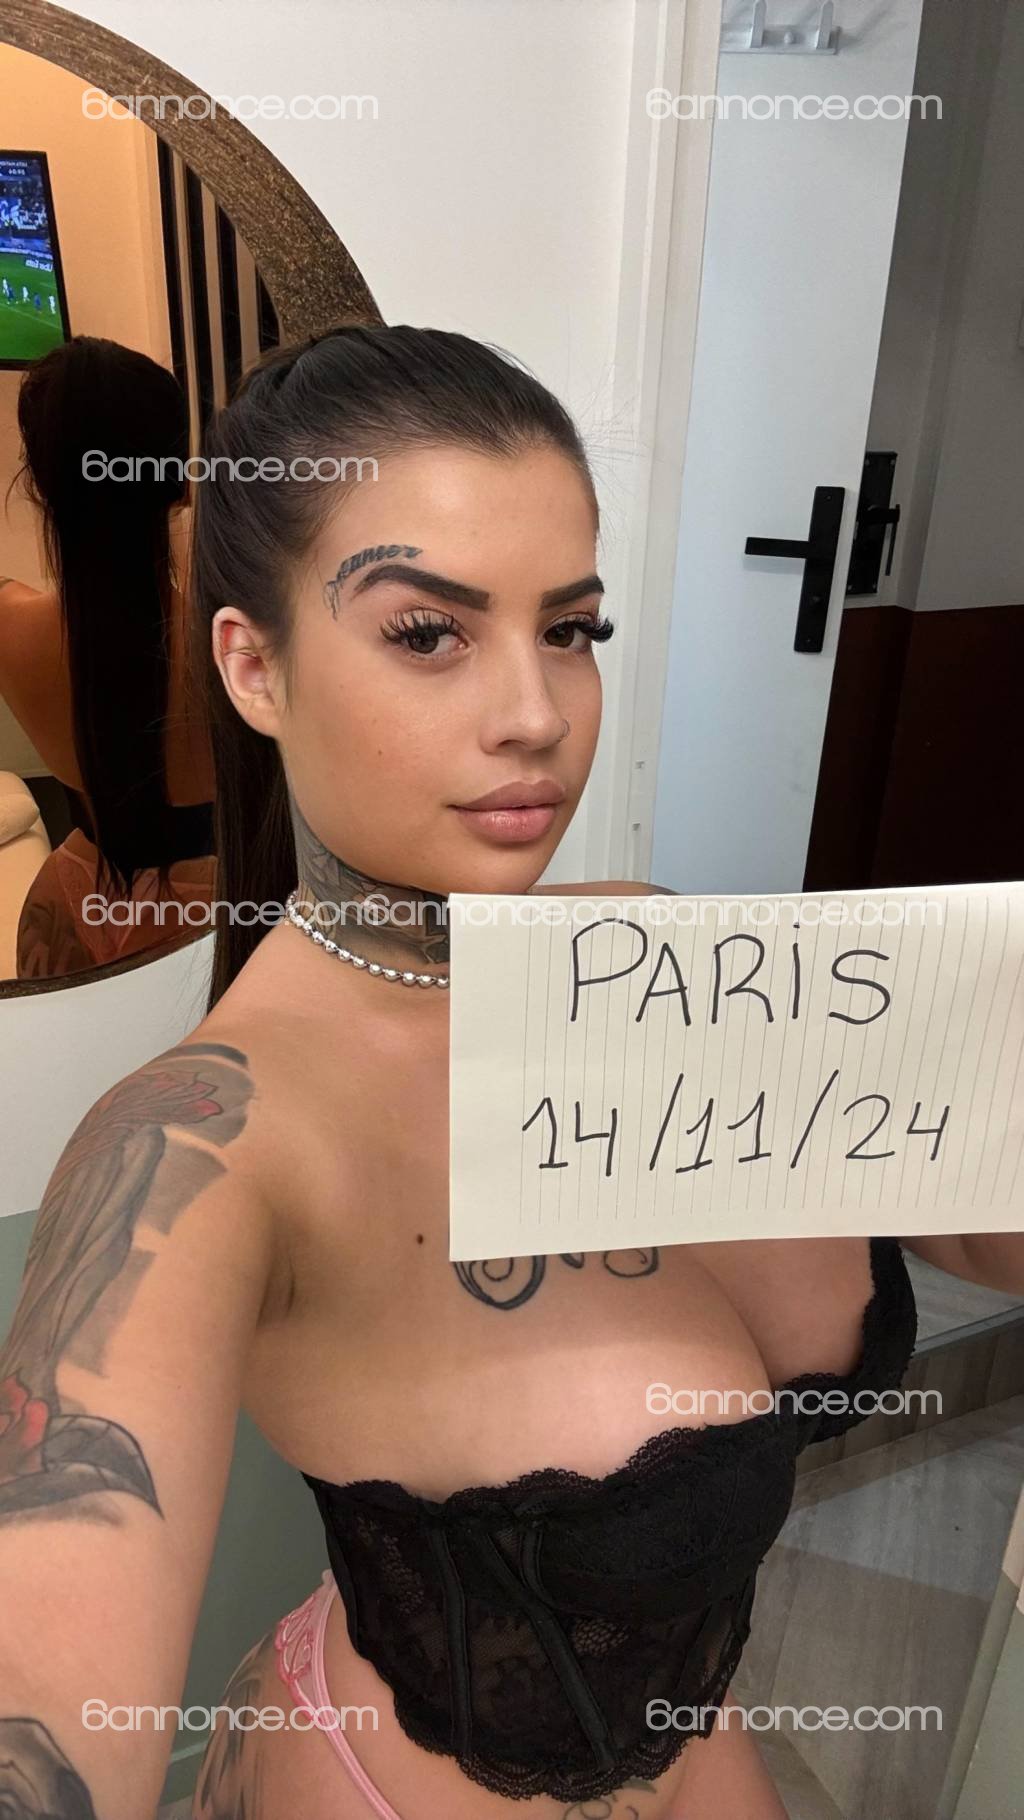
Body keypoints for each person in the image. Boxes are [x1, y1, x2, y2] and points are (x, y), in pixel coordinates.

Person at [0, 323, 1021, 1820]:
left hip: (694, 1749)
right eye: (429, 633)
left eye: (571, 629)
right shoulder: (203, 1141)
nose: (536, 712)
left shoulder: (654, 957)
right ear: (254, 667)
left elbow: (993, 1225)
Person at [0, 336, 216, 978]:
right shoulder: (244, 636)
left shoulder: (7, 621)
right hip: (227, 918)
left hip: (73, 918)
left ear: (39, 486)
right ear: (179, 482)